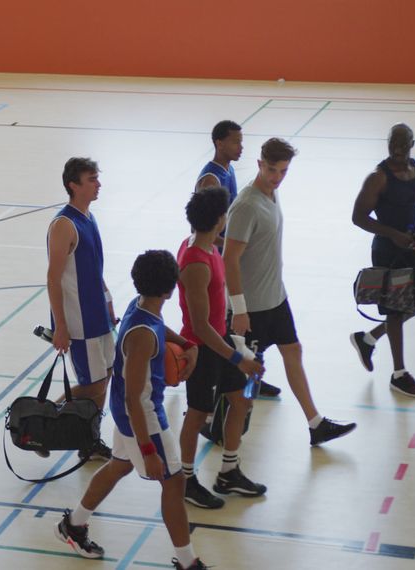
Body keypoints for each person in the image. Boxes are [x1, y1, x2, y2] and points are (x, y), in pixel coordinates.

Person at [55, 250, 206, 570]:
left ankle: (75, 525)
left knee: (119, 466)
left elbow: (159, 328)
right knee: (175, 482)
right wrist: (149, 449)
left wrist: (187, 344)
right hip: (142, 415)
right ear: (170, 290)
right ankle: (188, 562)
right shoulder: (142, 338)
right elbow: (134, 399)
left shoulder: (141, 306)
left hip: (132, 411)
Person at [224, 138, 356, 446]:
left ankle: (315, 423)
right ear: (259, 164)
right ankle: (222, 429)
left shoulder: (272, 194)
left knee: (293, 351)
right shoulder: (246, 205)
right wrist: (239, 309)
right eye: (271, 170)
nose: (277, 177)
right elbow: (229, 259)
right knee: (246, 377)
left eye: (283, 171)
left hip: (276, 299)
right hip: (252, 308)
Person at [176, 187, 265, 509]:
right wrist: (237, 358)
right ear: (219, 219)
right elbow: (200, 326)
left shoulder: (205, 244)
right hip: (202, 348)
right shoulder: (195, 262)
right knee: (197, 415)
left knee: (241, 402)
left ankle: (228, 471)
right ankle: (186, 480)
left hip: (221, 339)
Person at [196, 120, 282, 398]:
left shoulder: (229, 170)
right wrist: (238, 246)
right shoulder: (211, 179)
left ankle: (251, 374)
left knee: (243, 326)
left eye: (242, 141)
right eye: (235, 141)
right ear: (219, 143)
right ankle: (218, 379)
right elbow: (201, 229)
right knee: (219, 324)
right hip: (215, 263)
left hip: (228, 260)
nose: (240, 146)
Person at [349, 123, 415, 398]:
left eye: (402, 147)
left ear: (412, 145)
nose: (397, 152)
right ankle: (399, 374)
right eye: (392, 147)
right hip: (387, 249)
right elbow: (358, 217)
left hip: (410, 246)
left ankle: (368, 338)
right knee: (396, 310)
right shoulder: (378, 178)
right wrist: (393, 234)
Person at [45, 157, 115, 460]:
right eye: (91, 179)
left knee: (106, 376)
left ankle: (88, 440)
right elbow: (53, 278)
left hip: (99, 317)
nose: (98, 184)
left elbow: (93, 270)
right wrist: (60, 326)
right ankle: (43, 426)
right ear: (74, 185)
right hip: (79, 323)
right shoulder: (64, 225)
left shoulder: (89, 216)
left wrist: (108, 301)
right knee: (93, 384)